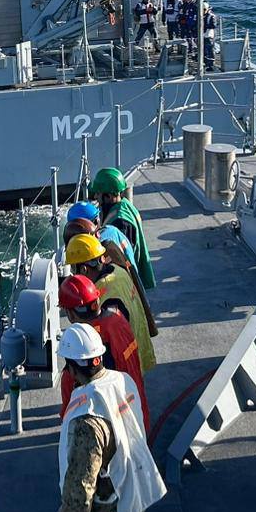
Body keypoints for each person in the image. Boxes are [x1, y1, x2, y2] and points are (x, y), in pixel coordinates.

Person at [57, 323, 166, 512]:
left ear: (71, 367)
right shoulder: (122, 381)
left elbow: (80, 484)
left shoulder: (87, 415)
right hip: (133, 499)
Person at [58, 275, 149, 430]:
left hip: (113, 429)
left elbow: (70, 417)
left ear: (70, 314)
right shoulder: (118, 318)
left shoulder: (82, 351)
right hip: (137, 413)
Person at [66, 233, 155, 370]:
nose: (73, 274)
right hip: (137, 352)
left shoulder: (103, 292)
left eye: (73, 268)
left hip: (123, 367)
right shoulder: (118, 271)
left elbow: (109, 338)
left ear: (83, 269)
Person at [92, 168, 155, 291]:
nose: (95, 197)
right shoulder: (125, 205)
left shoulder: (120, 222)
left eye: (98, 193)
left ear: (109, 196)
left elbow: (121, 258)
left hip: (129, 284)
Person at [201, 4, 219, 71]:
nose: (203, 11)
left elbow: (214, 25)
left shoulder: (211, 16)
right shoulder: (201, 16)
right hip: (202, 35)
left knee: (210, 50)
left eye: (204, 9)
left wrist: (206, 26)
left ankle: (211, 65)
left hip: (209, 36)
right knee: (204, 50)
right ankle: (206, 63)